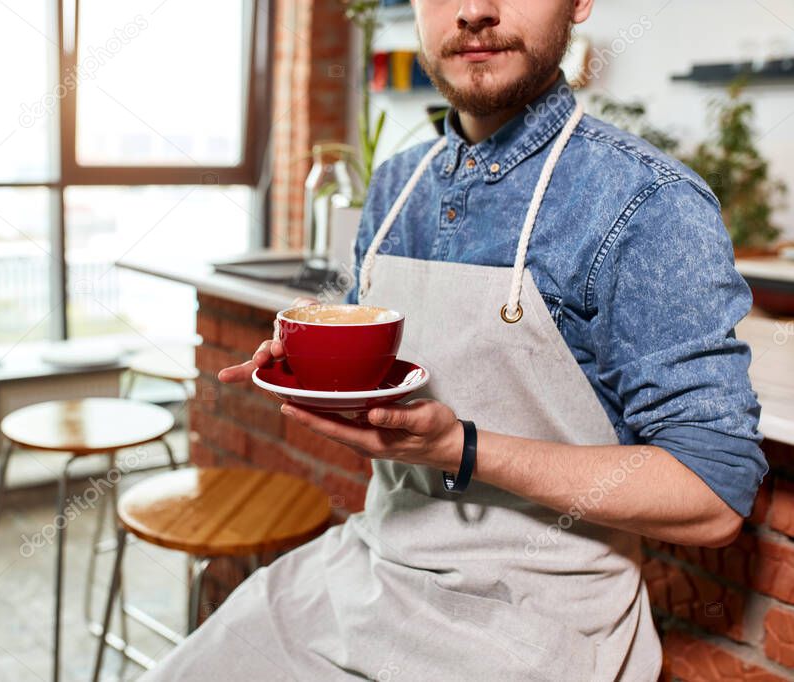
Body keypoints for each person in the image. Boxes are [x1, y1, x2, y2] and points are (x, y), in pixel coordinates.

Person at [140, 1, 766, 679]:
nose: (472, 10)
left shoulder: (649, 202)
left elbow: (711, 495)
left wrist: (460, 447)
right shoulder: (393, 186)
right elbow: (388, 382)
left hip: (536, 620)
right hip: (366, 571)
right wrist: (317, 360)